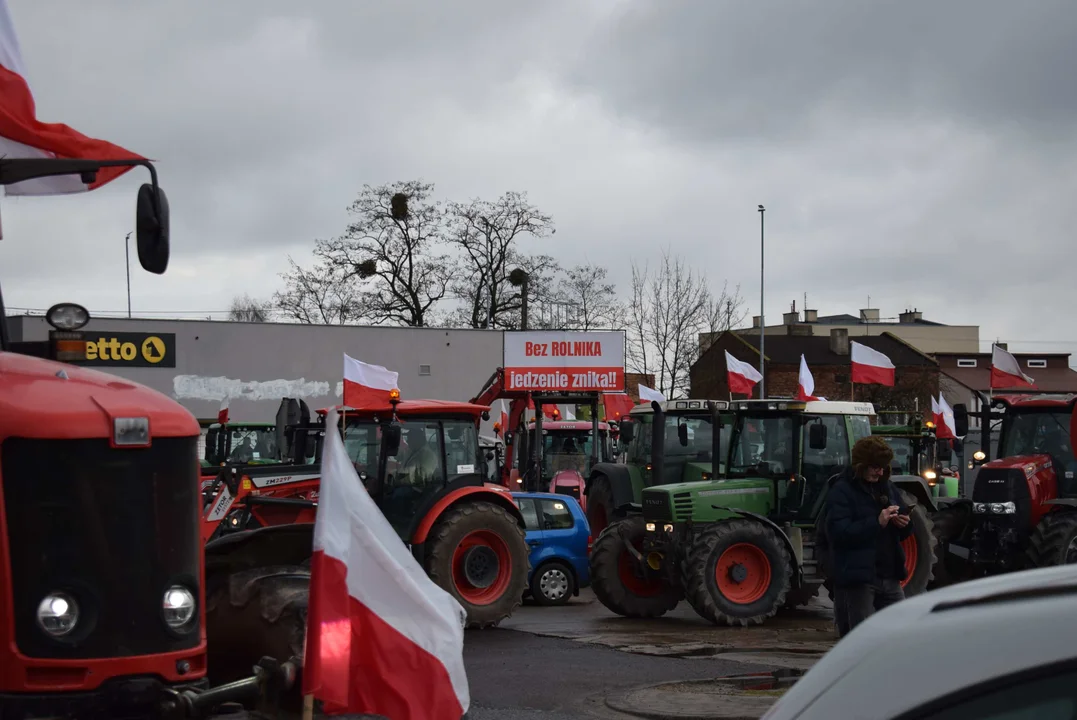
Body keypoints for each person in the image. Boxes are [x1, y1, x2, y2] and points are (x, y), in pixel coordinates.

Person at [825, 435, 913, 638]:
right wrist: (877, 522)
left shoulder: (887, 487)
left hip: (889, 576)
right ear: (860, 465)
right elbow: (839, 533)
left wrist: (904, 524)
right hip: (859, 579)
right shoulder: (841, 491)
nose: (880, 471)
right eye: (875, 466)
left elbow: (903, 528)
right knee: (860, 640)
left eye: (883, 467)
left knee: (901, 634)